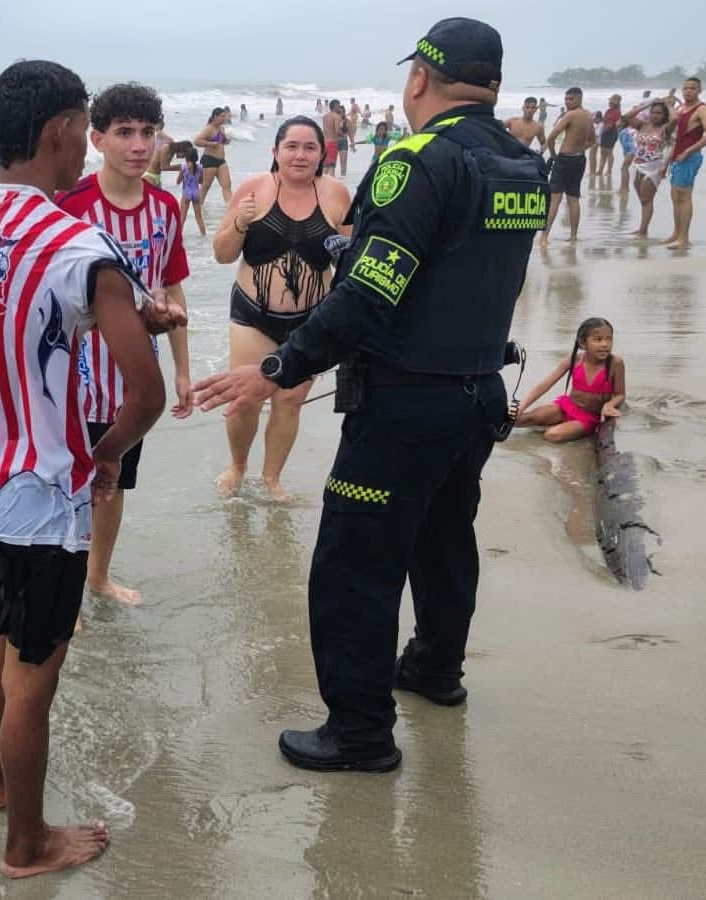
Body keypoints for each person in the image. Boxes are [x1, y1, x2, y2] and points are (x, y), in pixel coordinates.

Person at [194, 18, 548, 772]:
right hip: (478, 391)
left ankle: (358, 734)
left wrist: (280, 367)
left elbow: (371, 289)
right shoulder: (522, 161)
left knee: (354, 565)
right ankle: (433, 670)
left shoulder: (417, 161)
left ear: (420, 78)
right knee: (445, 539)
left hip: (406, 405)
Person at [0, 60, 183, 878]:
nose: (87, 145)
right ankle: (25, 846)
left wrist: (120, 303)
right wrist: (107, 457)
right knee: (33, 675)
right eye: (85, 128)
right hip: (38, 495)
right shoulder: (81, 245)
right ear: (58, 133)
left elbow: (16, 311)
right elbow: (144, 394)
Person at [56, 83, 192, 605]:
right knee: (69, 486)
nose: (139, 145)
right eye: (125, 133)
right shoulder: (70, 206)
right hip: (73, 378)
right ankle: (64, 592)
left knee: (113, 487)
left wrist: (181, 370)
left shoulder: (163, 208)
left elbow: (171, 287)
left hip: (135, 385)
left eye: (147, 133)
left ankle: (97, 576)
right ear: (97, 139)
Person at [209, 115, 352, 500]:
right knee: (245, 400)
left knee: (288, 401)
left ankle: (271, 477)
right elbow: (223, 255)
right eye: (291, 147)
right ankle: (238, 465)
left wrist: (344, 250)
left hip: (309, 321)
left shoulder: (337, 195)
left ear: (323, 153)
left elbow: (352, 266)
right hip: (253, 316)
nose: (300, 155)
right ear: (276, 152)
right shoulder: (254, 189)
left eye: (309, 147)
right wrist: (239, 224)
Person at [514, 318, 624, 441]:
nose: (605, 344)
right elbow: (545, 384)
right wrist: (521, 408)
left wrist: (610, 405)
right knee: (518, 420)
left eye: (609, 339)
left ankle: (557, 428)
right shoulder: (574, 360)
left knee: (552, 435)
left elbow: (620, 395)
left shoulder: (616, 363)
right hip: (566, 407)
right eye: (598, 339)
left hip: (589, 418)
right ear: (583, 343)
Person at [660, 77, 706, 250]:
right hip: (677, 156)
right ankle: (676, 233)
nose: (688, 91)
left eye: (692, 88)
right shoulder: (682, 109)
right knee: (675, 196)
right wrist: (666, 161)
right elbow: (675, 137)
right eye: (685, 88)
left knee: (684, 197)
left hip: (689, 157)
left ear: (699, 90)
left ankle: (684, 237)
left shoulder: (702, 109)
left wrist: (688, 152)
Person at [540, 86, 595, 246]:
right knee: (573, 198)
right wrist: (580, 149)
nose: (568, 101)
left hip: (564, 159)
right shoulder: (587, 115)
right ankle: (573, 236)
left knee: (555, 199)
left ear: (579, 99)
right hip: (579, 159)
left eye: (571, 99)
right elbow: (592, 140)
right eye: (566, 99)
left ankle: (544, 236)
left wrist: (553, 155)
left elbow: (551, 137)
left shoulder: (570, 115)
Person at [622, 100, 672, 237]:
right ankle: (642, 228)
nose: (655, 115)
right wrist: (646, 105)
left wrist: (667, 104)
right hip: (638, 165)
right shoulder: (643, 125)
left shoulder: (665, 128)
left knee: (647, 199)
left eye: (659, 113)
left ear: (664, 115)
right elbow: (625, 117)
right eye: (653, 112)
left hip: (654, 167)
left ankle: (643, 230)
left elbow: (676, 120)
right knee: (642, 200)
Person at [195, 108, 232, 203]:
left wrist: (226, 141)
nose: (224, 118)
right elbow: (196, 141)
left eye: (225, 116)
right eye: (222, 116)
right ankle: (198, 209)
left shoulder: (221, 128)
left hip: (221, 161)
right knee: (205, 187)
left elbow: (221, 142)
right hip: (209, 160)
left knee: (227, 185)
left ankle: (230, 208)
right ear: (215, 117)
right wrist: (211, 144)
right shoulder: (209, 128)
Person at [178, 145, 205, 235]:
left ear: (187, 157)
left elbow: (178, 181)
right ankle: (204, 235)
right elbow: (201, 181)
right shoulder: (200, 168)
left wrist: (181, 178)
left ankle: (178, 238)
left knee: (182, 218)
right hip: (196, 193)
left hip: (186, 193)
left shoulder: (184, 167)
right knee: (199, 218)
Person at [597, 95, 621, 176]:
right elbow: (604, 121)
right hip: (605, 132)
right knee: (602, 152)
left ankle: (609, 171)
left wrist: (601, 132)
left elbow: (610, 125)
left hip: (611, 133)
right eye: (609, 101)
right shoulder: (608, 111)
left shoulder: (616, 112)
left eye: (611, 101)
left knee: (609, 152)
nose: (609, 103)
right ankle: (600, 170)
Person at [322, 99, 346, 176]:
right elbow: (337, 131)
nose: (339, 108)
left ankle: (320, 184)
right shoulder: (337, 117)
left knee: (325, 166)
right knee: (332, 166)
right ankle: (332, 185)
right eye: (339, 106)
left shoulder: (325, 116)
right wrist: (343, 135)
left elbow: (324, 130)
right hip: (332, 142)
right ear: (335, 106)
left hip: (325, 142)